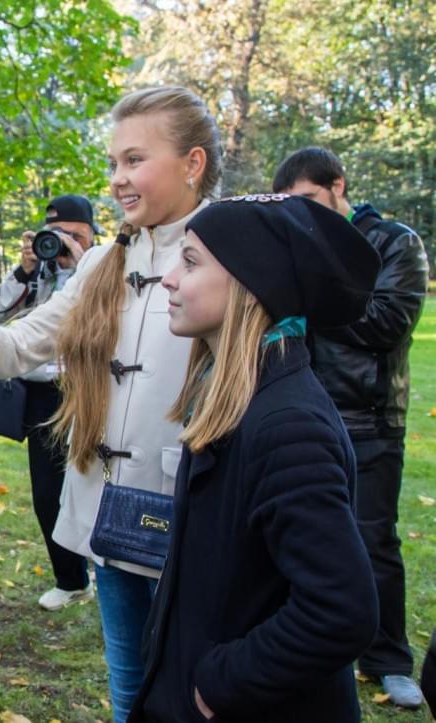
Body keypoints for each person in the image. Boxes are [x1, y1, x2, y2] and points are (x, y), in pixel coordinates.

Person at [0, 86, 222, 722]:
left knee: (202, 696)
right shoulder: (102, 266)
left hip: (197, 523)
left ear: (192, 163)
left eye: (135, 161)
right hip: (113, 521)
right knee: (129, 697)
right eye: (115, 163)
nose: (118, 180)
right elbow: (13, 348)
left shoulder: (234, 253)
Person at [131, 194, 381, 722]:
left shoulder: (288, 429)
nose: (170, 279)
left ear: (251, 283)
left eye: (192, 262)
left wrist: (221, 684)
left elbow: (340, 610)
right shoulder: (239, 401)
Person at [273, 147, 430, 708]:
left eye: (311, 201)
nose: (305, 216)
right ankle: (307, 649)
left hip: (367, 417)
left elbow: (387, 322)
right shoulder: (300, 246)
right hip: (303, 413)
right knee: (299, 538)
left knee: (371, 541)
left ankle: (389, 659)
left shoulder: (394, 243)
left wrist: (315, 286)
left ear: (338, 186)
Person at [0, 194, 97, 610]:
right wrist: (25, 271)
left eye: (75, 235)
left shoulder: (102, 268)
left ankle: (109, 568)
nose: (63, 245)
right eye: (56, 235)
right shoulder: (38, 276)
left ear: (92, 235)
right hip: (44, 396)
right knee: (49, 493)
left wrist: (82, 264)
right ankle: (72, 580)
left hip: (91, 389)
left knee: (100, 484)